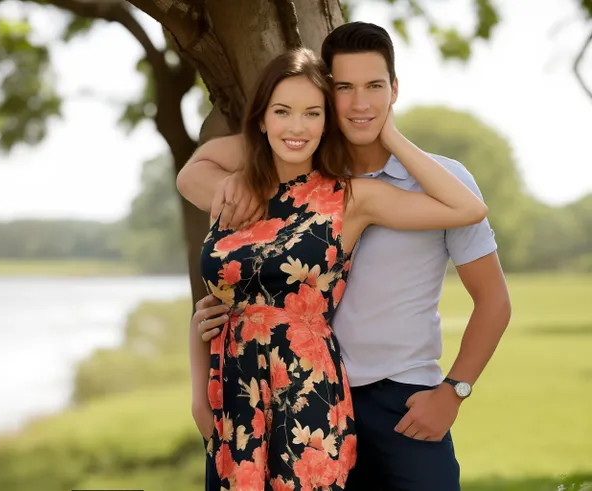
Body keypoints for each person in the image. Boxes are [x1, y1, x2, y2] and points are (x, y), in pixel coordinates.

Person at [182, 21, 512, 491]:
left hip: (399, 398)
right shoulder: (302, 174)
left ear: (394, 89)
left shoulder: (430, 184)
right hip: (293, 391)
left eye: (375, 86)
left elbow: (492, 293)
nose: (360, 103)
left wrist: (454, 391)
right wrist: (237, 179)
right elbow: (202, 172)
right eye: (345, 88)